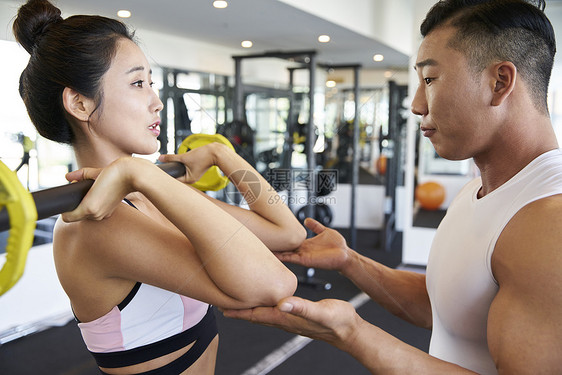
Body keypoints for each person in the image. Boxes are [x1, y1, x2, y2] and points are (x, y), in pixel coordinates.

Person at [224, 0, 562, 373]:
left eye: (430, 79)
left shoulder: (549, 223)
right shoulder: (480, 189)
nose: (417, 104)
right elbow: (446, 309)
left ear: (500, 82)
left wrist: (351, 332)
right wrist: (350, 261)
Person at [12, 1, 306, 374]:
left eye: (151, 82)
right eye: (138, 83)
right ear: (80, 103)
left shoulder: (149, 192)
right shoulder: (97, 226)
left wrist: (221, 155)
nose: (157, 101)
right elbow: (274, 284)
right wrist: (143, 173)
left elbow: (288, 231)